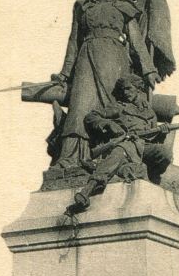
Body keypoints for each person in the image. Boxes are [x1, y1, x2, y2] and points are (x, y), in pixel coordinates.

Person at [50, 0, 159, 173]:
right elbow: (73, 41)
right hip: (86, 60)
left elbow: (136, 42)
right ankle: (70, 159)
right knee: (79, 106)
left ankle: (109, 156)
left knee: (110, 109)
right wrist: (64, 74)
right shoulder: (84, 6)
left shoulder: (124, 7)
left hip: (114, 63)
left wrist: (149, 70)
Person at [72, 74, 171, 211]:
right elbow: (91, 117)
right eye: (123, 90)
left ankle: (150, 176)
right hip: (126, 143)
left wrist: (162, 133)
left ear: (138, 89)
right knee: (120, 152)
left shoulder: (150, 113)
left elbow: (154, 138)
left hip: (143, 146)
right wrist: (108, 124)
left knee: (165, 153)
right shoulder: (118, 107)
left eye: (129, 89)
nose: (125, 92)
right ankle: (87, 191)